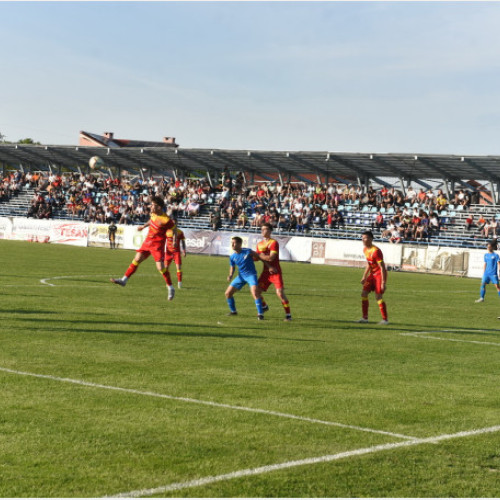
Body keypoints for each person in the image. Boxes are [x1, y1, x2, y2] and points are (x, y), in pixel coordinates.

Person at [110, 196, 177, 300]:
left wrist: (175, 240)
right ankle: (124, 280)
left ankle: (170, 287)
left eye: (153, 205)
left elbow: (174, 229)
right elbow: (151, 221)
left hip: (157, 246)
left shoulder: (166, 220)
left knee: (160, 268)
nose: (151, 206)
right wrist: (143, 226)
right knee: (136, 259)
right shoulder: (153, 214)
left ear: (159, 207)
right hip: (147, 242)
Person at [255, 222, 292, 321]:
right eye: (262, 229)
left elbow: (271, 258)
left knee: (280, 293)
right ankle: (264, 306)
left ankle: (288, 315)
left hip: (275, 272)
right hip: (266, 272)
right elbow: (258, 258)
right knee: (256, 291)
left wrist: (259, 255)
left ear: (270, 231)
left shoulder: (273, 243)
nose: (263, 231)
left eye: (265, 229)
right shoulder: (259, 244)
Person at [225, 236, 266, 320]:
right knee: (228, 293)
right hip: (241, 277)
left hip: (251, 275)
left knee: (255, 293)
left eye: (234, 242)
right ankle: (233, 311)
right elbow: (232, 267)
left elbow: (259, 257)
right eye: (231, 243)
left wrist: (269, 266)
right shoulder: (232, 256)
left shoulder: (248, 251)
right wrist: (230, 275)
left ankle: (260, 314)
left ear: (240, 244)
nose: (232, 244)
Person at [357, 230, 389, 325]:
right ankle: (365, 318)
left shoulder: (376, 251)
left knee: (378, 296)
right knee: (364, 293)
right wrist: (364, 276)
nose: (363, 240)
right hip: (372, 275)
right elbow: (369, 263)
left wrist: (383, 282)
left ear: (370, 239)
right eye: (362, 238)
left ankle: (385, 319)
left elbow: (382, 267)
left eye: (365, 238)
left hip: (379, 275)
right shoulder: (365, 250)